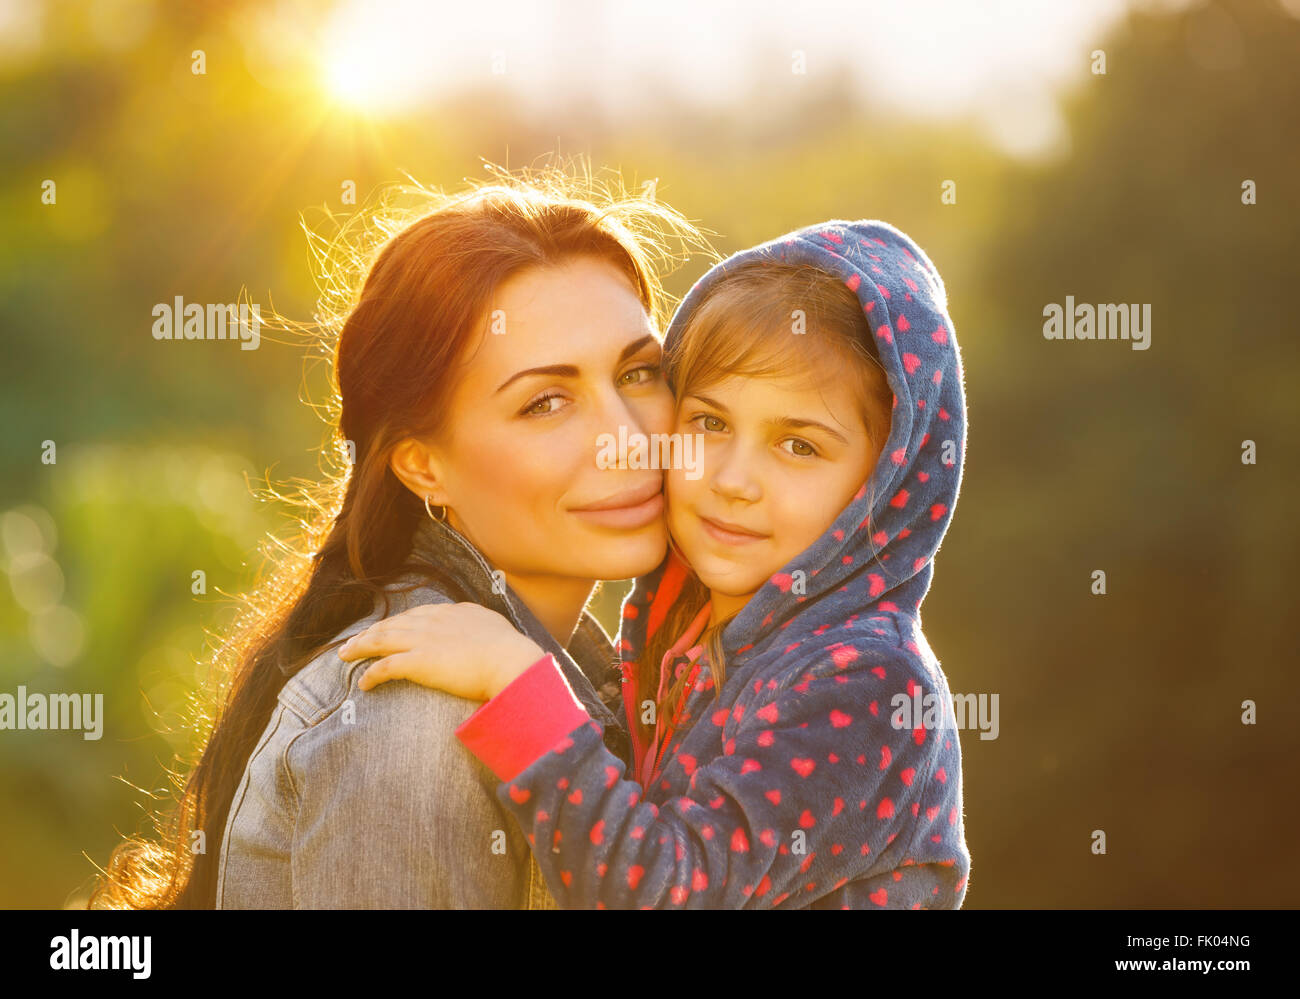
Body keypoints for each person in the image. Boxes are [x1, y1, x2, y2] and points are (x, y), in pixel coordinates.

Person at [90, 167, 710, 908]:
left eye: (640, 373)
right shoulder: (418, 728)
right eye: (545, 402)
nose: (626, 439)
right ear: (424, 464)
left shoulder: (586, 670)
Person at [343, 218, 972, 908]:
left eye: (800, 446)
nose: (734, 478)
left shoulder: (865, 679)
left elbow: (669, 890)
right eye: (709, 423)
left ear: (885, 484)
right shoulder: (689, 631)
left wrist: (519, 684)